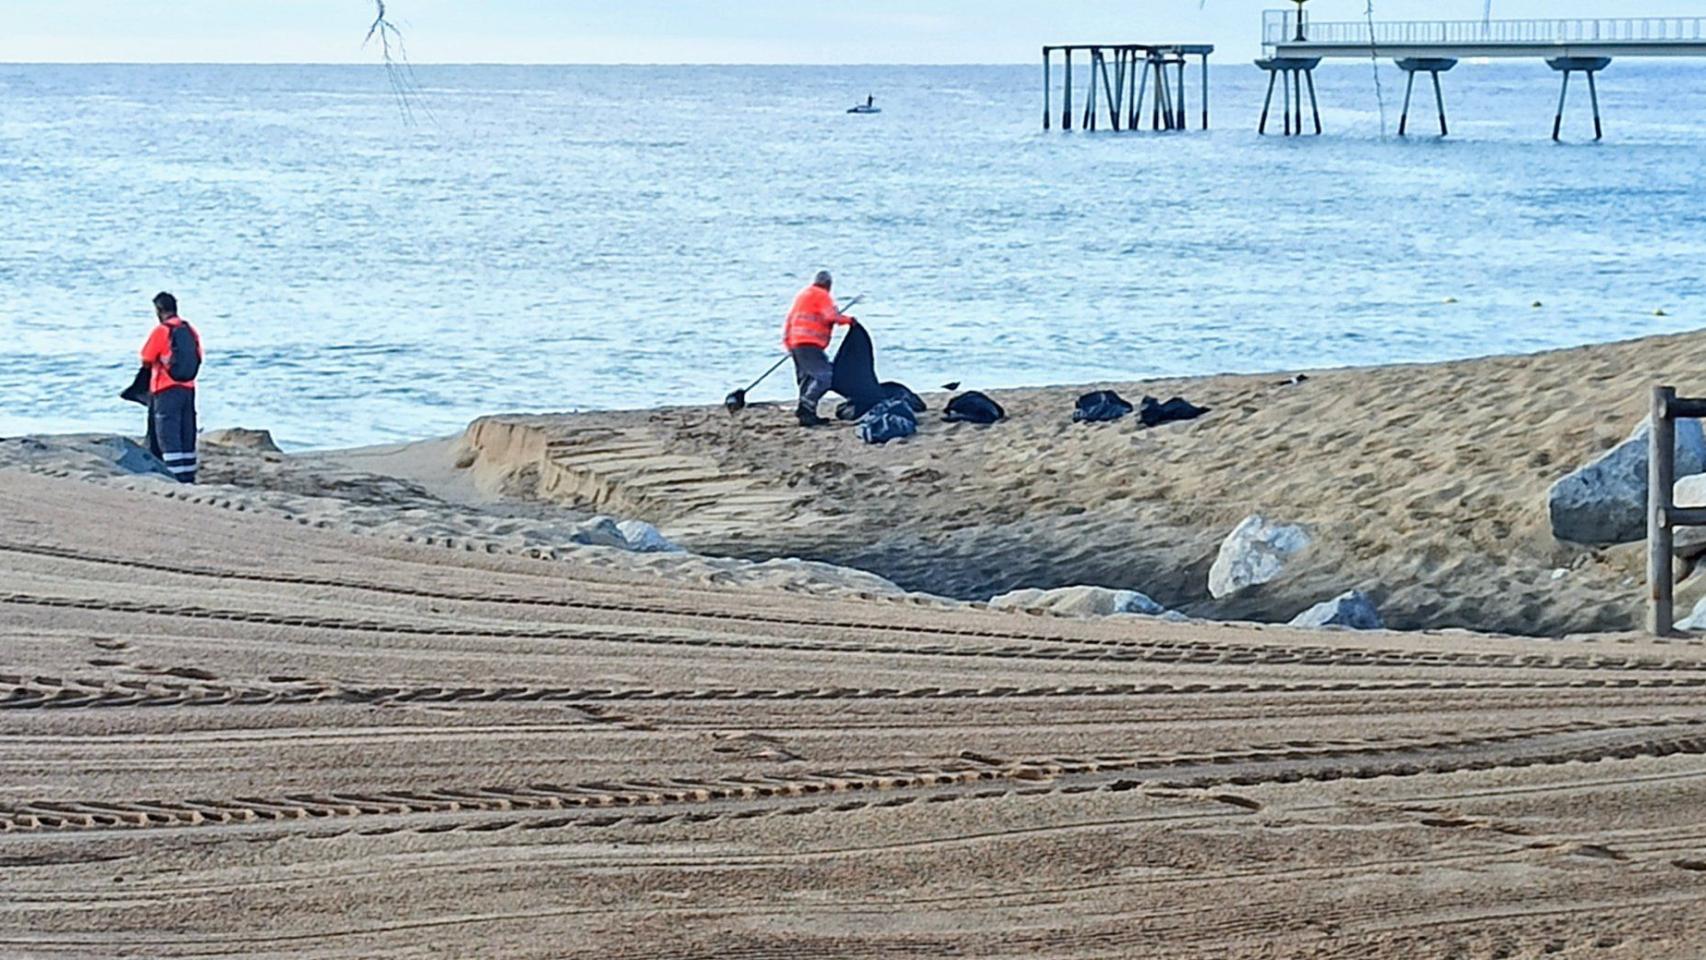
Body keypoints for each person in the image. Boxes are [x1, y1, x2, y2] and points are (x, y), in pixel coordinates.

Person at [139, 291, 202, 483]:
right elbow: (199, 356)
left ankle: (173, 475)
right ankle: (188, 474)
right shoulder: (189, 329)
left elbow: (146, 357)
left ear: (159, 310)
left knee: (168, 433)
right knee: (186, 431)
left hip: (165, 388)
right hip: (188, 388)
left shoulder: (162, 331)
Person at [782, 270, 855, 427]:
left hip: (796, 343)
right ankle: (806, 408)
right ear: (828, 285)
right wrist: (848, 320)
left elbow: (790, 320)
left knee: (806, 379)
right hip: (810, 344)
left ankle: (807, 416)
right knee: (824, 377)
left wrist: (788, 343)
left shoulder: (802, 295)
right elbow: (830, 316)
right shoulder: (822, 295)